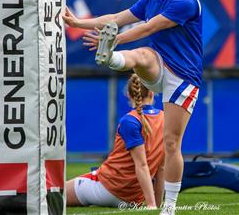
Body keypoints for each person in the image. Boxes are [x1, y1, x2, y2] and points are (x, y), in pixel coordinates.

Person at [63, 0, 202, 215]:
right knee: (142, 55)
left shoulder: (185, 0)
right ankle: (111, 58)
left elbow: (149, 27)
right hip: (159, 64)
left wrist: (113, 38)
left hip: (183, 78)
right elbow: (116, 18)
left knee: (171, 143)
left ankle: (169, 208)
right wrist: (80, 23)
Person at [66, 74, 165, 209]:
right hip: (134, 198)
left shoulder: (130, 120)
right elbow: (161, 167)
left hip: (109, 188)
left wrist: (151, 205)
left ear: (129, 95)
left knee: (50, 195)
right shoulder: (164, 118)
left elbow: (141, 166)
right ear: (152, 93)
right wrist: (156, 205)